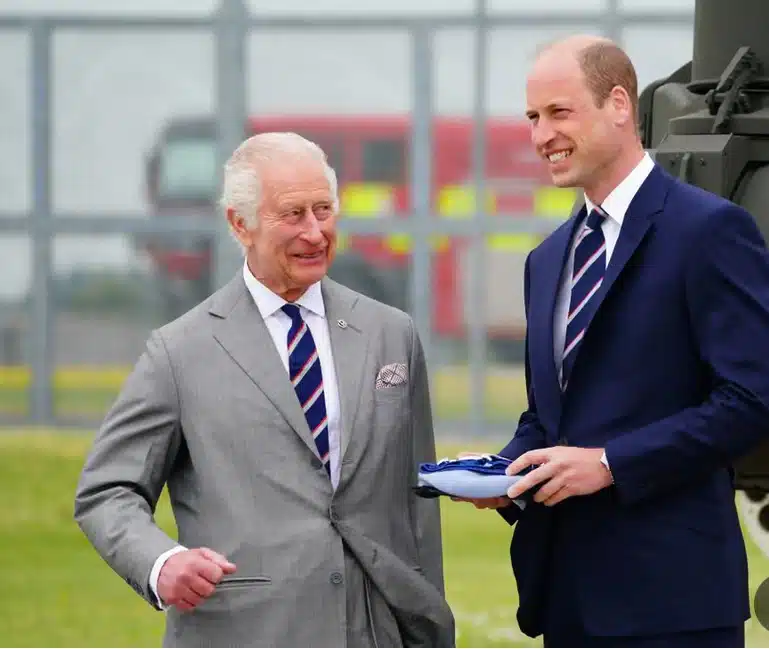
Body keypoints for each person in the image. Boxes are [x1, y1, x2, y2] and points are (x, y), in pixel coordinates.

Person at [74, 132, 454, 648]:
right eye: (293, 214)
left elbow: (417, 504)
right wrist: (161, 563)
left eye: (324, 210)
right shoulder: (179, 351)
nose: (315, 232)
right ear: (240, 224)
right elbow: (107, 491)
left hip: (375, 631)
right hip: (245, 630)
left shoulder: (392, 334)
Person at [460, 35, 769, 647]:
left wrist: (609, 465)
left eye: (559, 112)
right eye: (532, 117)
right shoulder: (547, 259)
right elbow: (550, 416)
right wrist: (502, 474)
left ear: (620, 105)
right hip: (567, 601)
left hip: (676, 606)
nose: (542, 135)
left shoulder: (710, 230)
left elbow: (751, 399)